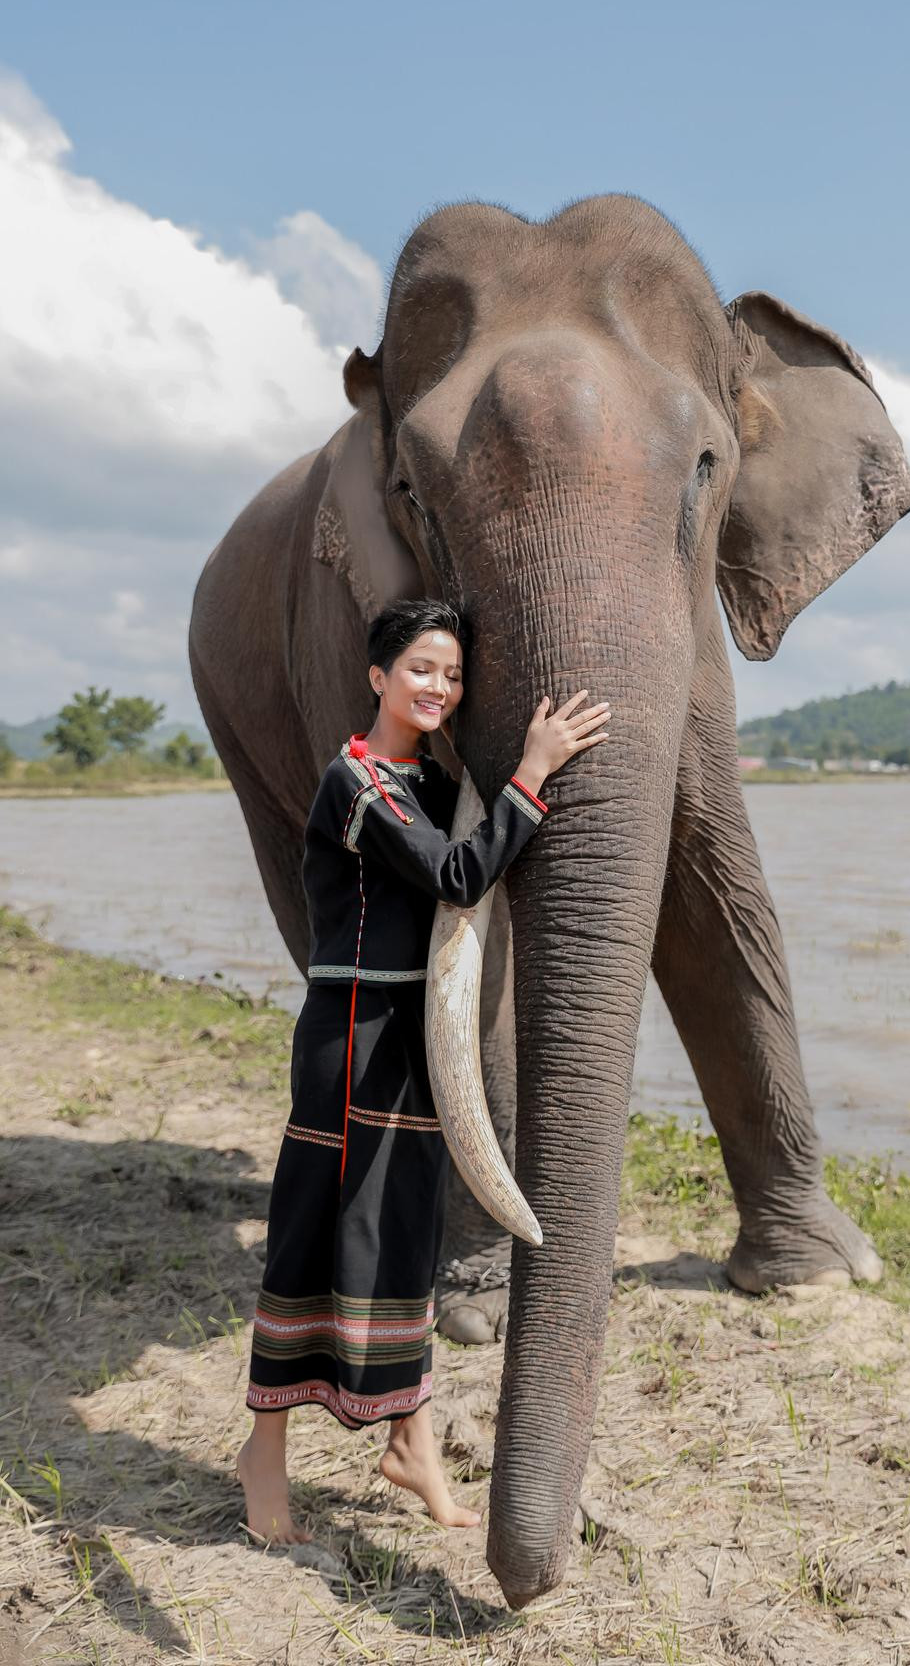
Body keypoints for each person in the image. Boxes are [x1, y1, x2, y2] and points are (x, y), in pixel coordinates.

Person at [236, 598, 610, 1543]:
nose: (438, 687)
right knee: (313, 1233)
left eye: (451, 675)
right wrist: (533, 773)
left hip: (413, 1038)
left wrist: (515, 767)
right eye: (419, 670)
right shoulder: (355, 784)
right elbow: (455, 876)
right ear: (377, 677)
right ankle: (264, 1455)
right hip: (351, 1037)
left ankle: (413, 1444)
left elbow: (474, 844)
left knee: (405, 1232)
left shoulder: (432, 785)